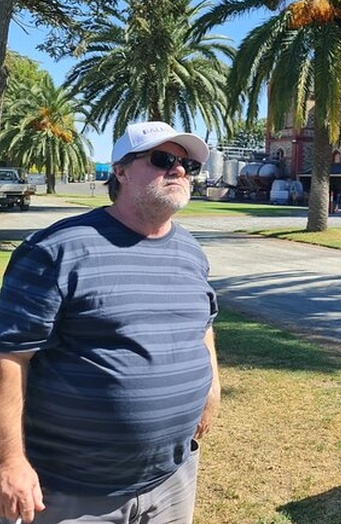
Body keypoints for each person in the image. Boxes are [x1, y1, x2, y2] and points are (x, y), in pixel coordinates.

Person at [0, 121, 220, 524]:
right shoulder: (56, 250)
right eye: (163, 159)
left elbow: (204, 322)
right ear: (120, 170)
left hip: (172, 478)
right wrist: (9, 462)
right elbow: (10, 358)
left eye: (187, 163)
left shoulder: (191, 251)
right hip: (71, 492)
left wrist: (211, 391)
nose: (179, 171)